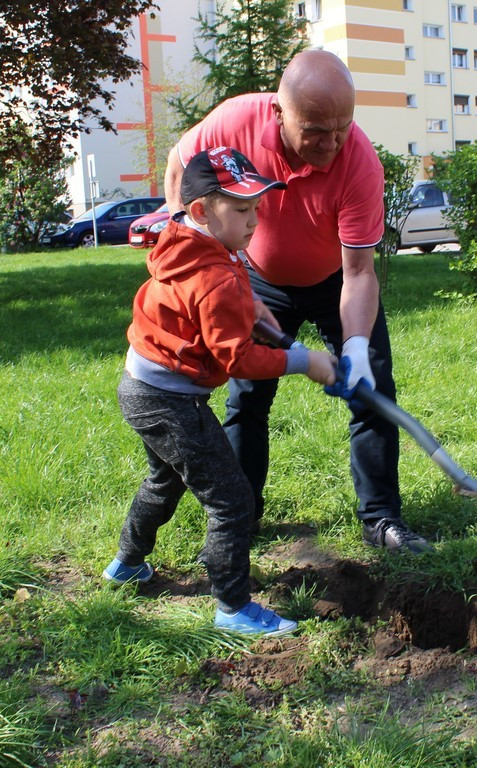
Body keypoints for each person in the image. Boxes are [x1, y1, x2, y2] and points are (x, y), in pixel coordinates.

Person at [164, 50, 433, 554]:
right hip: (257, 279)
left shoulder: (359, 162)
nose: (331, 144)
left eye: (342, 128)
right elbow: (180, 162)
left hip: (335, 281)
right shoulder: (235, 122)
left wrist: (355, 348)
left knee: (373, 389)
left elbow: (359, 271)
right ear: (279, 113)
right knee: (247, 398)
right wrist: (195, 249)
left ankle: (380, 518)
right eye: (315, 131)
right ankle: (240, 517)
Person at [105, 146, 338, 636]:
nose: (253, 221)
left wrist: (253, 306)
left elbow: (219, 291)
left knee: (164, 482)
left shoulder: (187, 241)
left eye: (256, 207)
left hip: (141, 386)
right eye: (240, 209)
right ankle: (233, 607)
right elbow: (239, 361)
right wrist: (305, 361)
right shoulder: (214, 276)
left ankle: (126, 564)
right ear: (200, 210)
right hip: (169, 399)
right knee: (232, 499)